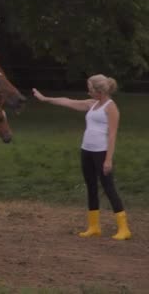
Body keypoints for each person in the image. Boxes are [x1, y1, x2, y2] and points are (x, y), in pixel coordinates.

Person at [32, 74, 131, 240]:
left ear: (99, 91)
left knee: (108, 188)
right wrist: (45, 99)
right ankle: (94, 226)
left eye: (91, 89)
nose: (88, 91)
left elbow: (112, 135)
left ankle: (124, 228)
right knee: (91, 186)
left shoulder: (110, 107)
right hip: (86, 150)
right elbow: (67, 101)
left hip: (101, 152)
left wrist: (108, 159)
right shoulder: (92, 104)